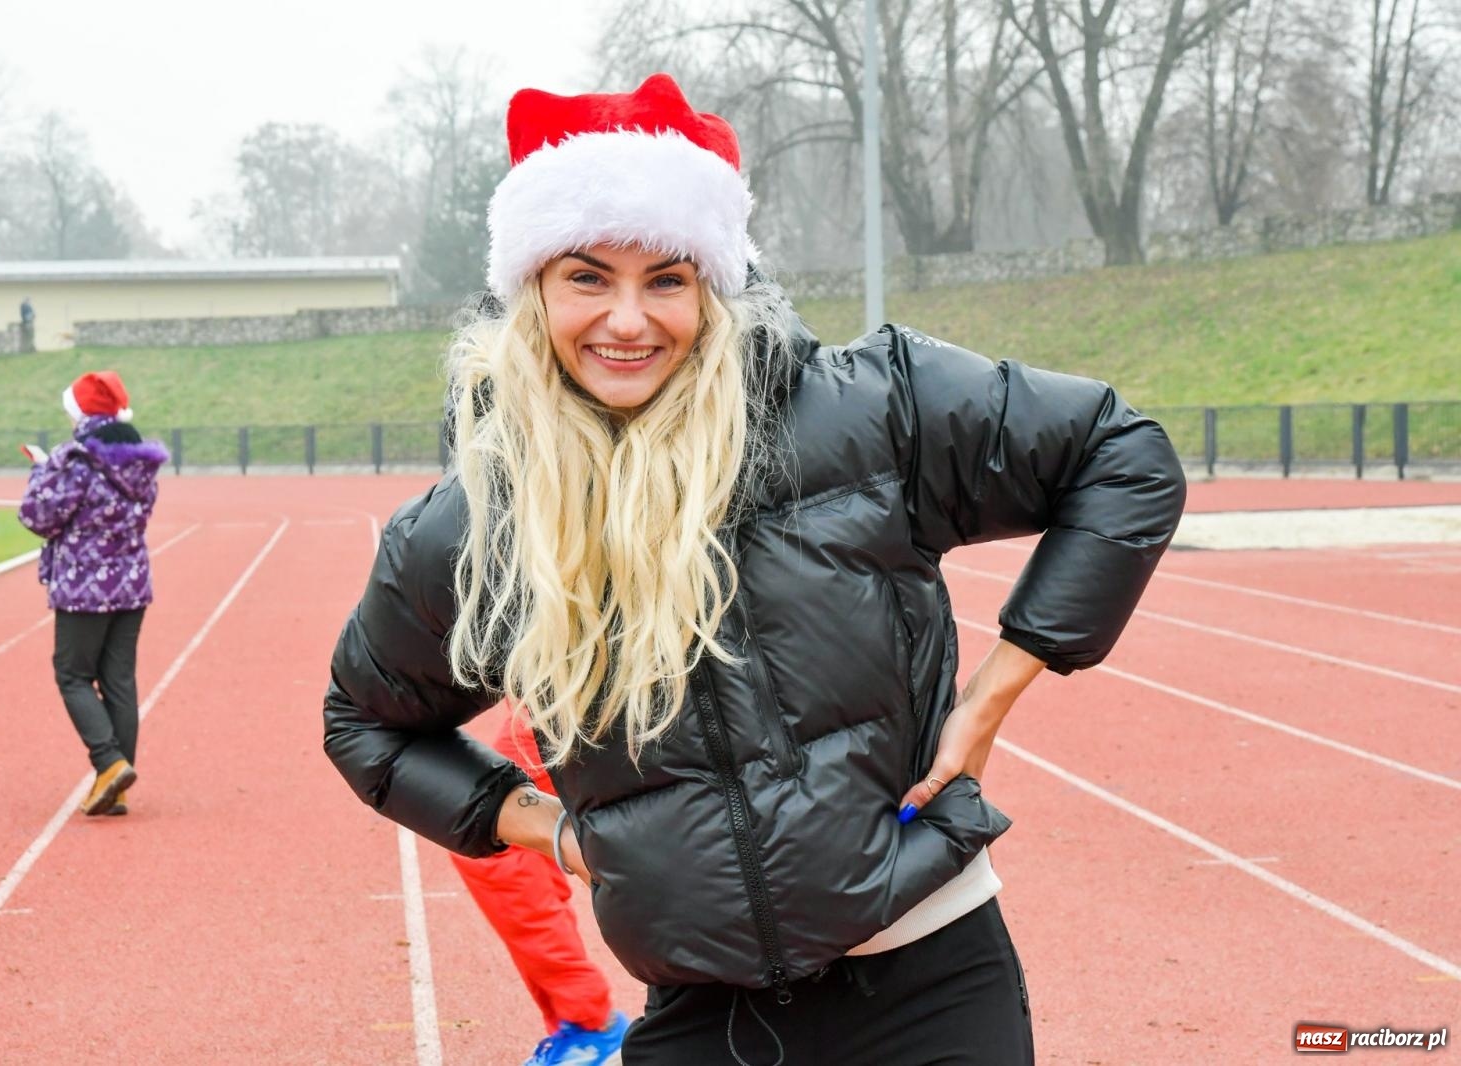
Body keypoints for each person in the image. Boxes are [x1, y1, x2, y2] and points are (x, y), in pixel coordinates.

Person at [324, 74, 1186, 1065]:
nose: (628, 319)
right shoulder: (481, 524)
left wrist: (994, 690)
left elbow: (1120, 453)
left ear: (714, 283)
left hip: (931, 977)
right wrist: (551, 833)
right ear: (531, 293)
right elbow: (363, 722)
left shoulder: (867, 410)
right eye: (587, 276)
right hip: (705, 1016)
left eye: (666, 278)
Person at [20, 370, 167, 817]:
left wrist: (40, 472)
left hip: (83, 588)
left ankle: (108, 762)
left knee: (73, 674)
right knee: (120, 681)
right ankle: (116, 785)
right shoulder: (141, 462)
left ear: (80, 412)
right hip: (132, 585)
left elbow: (37, 516)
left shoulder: (75, 460)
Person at [448, 705, 630, 1065]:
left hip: (570, 676)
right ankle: (585, 1022)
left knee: (489, 834)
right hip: (558, 679)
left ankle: (590, 1026)